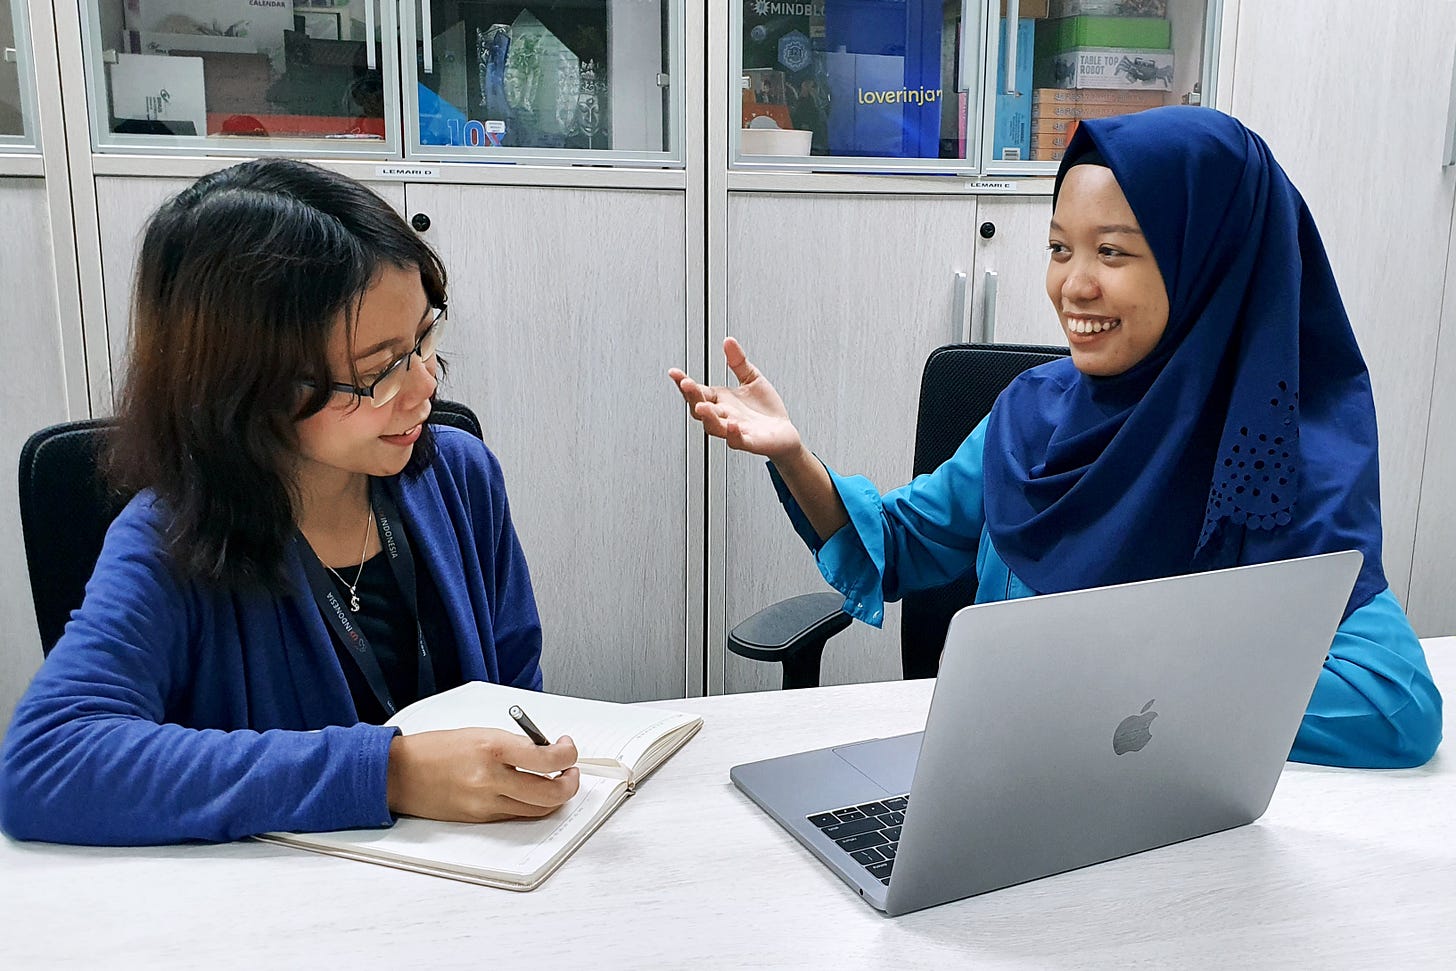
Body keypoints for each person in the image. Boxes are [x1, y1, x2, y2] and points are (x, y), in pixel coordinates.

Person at [671, 107, 1442, 769]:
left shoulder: (1271, 458)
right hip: (996, 783)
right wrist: (794, 456)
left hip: (1180, 830)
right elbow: (901, 544)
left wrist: (1116, 688)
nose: (1072, 284)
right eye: (1059, 247)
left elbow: (1392, 701)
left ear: (1210, 267)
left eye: (1113, 251)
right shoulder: (1035, 415)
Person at [0, 159, 579, 845]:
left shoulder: (459, 475)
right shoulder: (170, 538)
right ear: (250, 386)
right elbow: (45, 764)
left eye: (424, 338)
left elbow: (517, 688)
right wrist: (386, 773)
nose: (424, 386)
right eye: (378, 371)